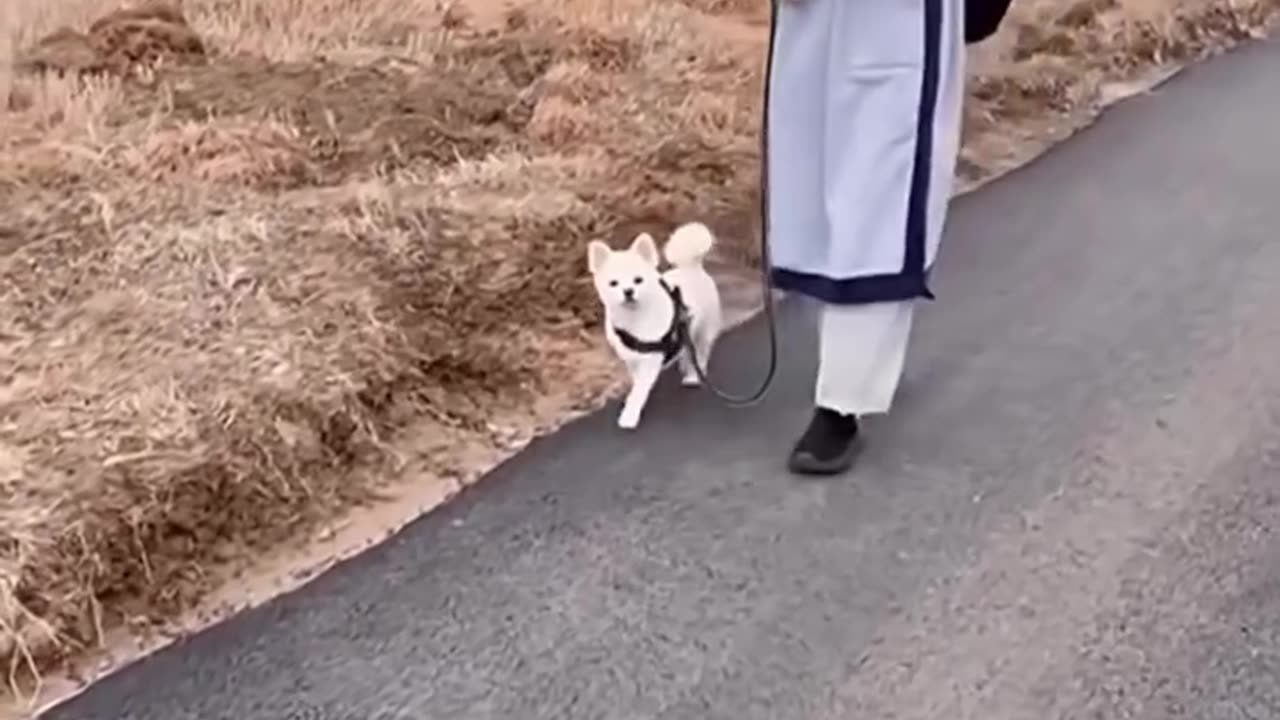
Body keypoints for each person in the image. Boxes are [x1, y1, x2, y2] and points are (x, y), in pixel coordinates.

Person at [765, 0, 973, 475]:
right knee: (811, 200)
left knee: (875, 213)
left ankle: (841, 403)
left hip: (897, 32)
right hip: (813, 31)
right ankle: (853, 366)